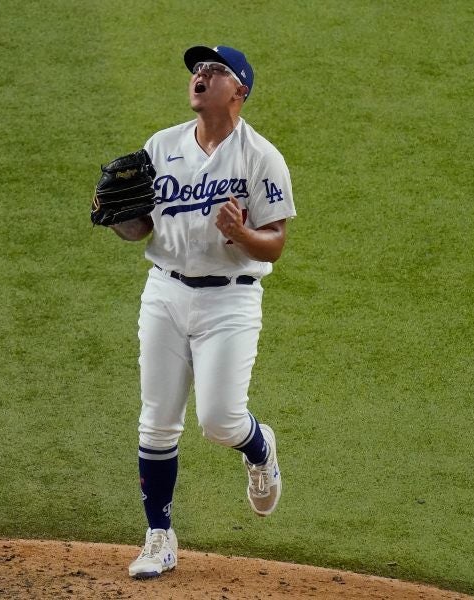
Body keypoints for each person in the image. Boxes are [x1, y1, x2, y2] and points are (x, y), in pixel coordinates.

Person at [106, 44, 296, 579]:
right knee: (157, 422)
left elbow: (276, 242)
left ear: (240, 91)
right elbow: (139, 228)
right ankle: (158, 537)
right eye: (197, 69)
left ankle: (259, 449)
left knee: (218, 422)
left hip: (230, 299)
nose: (200, 75)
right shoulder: (160, 146)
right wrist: (115, 218)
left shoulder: (261, 157)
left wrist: (241, 233)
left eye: (214, 70)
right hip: (164, 293)